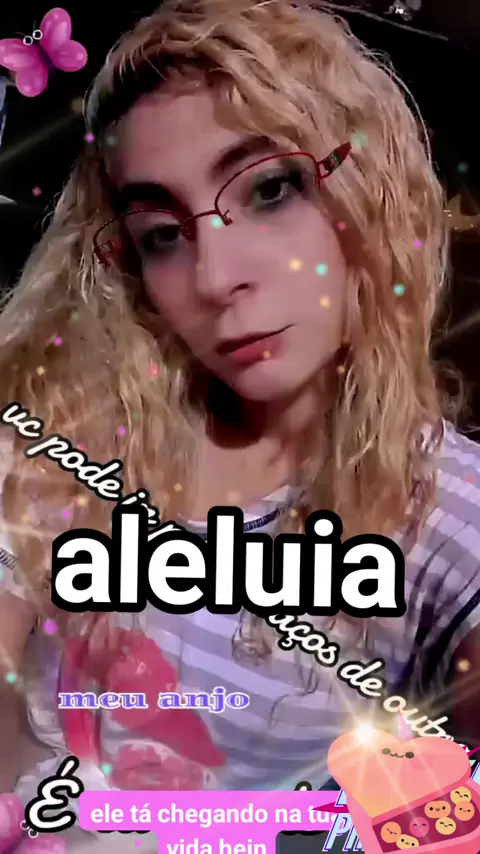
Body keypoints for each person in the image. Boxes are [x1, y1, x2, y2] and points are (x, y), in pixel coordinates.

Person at [0, 0, 479, 846]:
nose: (216, 277)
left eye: (269, 189)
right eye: (161, 234)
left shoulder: (451, 518)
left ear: (369, 186)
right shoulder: (65, 431)